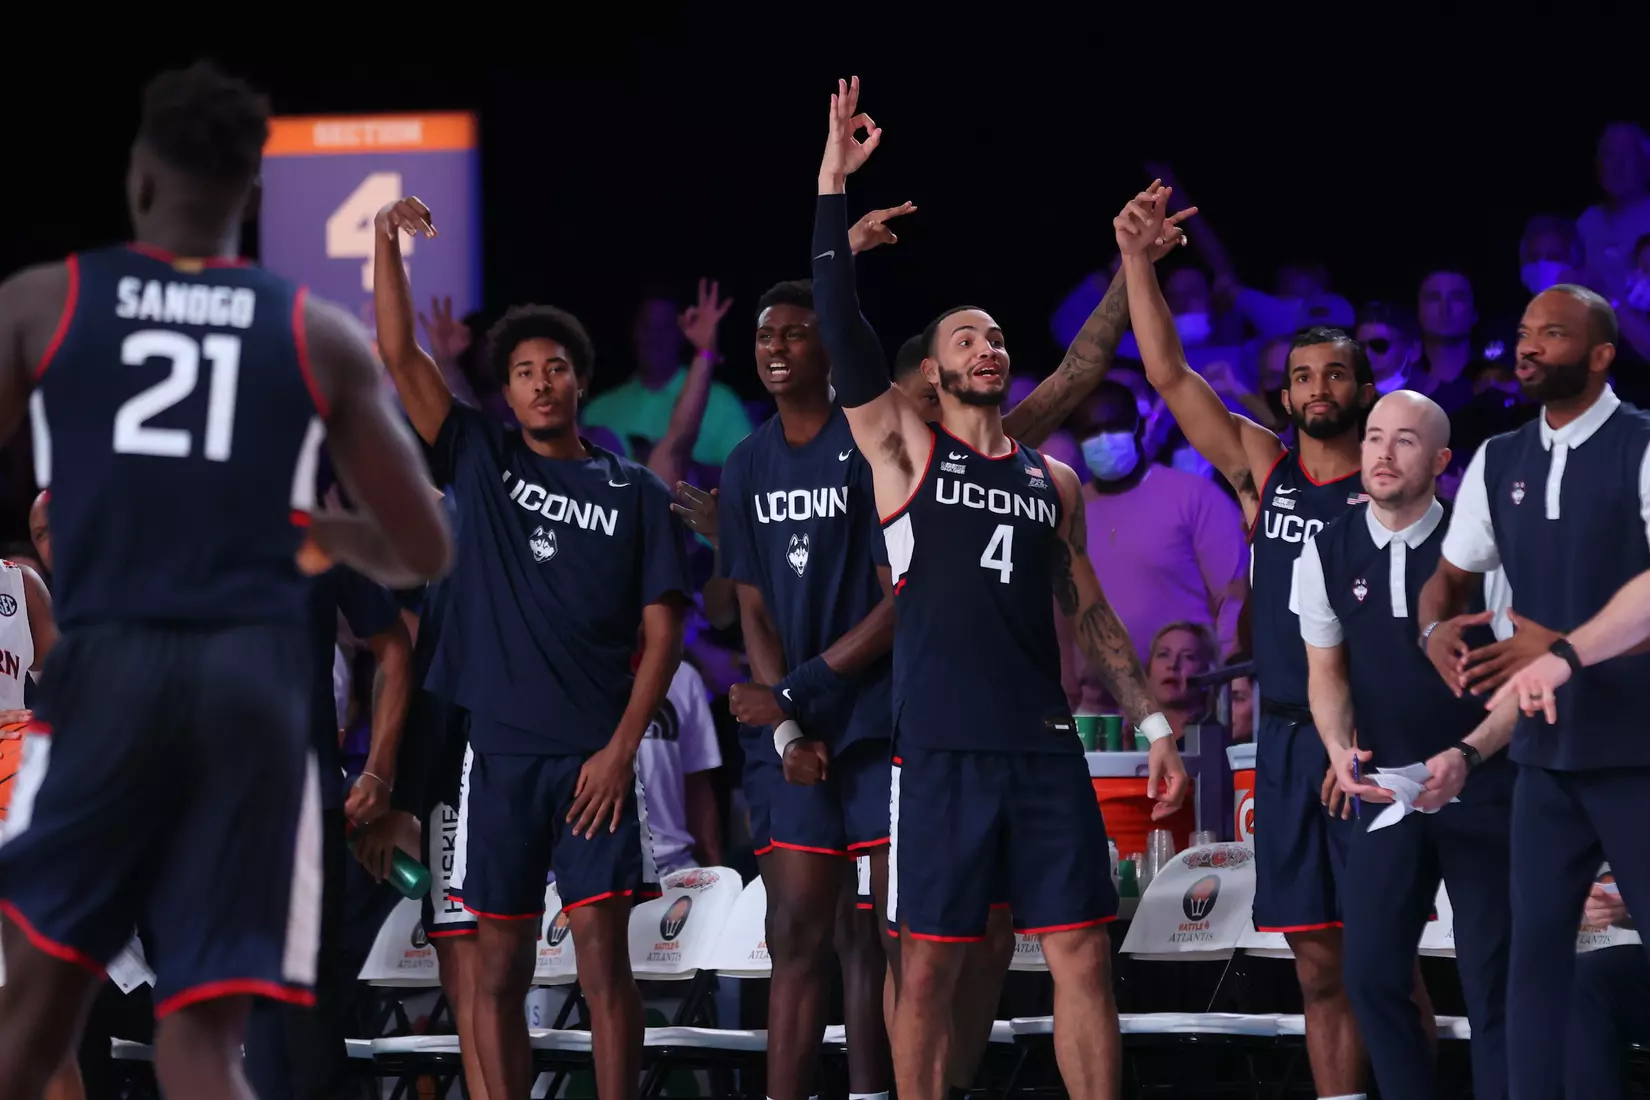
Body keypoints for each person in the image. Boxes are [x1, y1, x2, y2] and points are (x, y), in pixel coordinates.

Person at [0, 61, 450, 1100]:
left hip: (111, 698)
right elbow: (421, 545)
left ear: (141, 181)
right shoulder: (311, 331)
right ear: (251, 193)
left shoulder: (48, 301)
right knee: (210, 1036)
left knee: (36, 1009)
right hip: (246, 718)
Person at [809, 77, 1188, 1100]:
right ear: (928, 375)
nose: (988, 343)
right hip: (937, 746)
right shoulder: (899, 451)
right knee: (925, 963)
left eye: (994, 334)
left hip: (1045, 746)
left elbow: (1094, 611)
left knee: (1080, 956)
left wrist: (1154, 726)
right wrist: (832, 196)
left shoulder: (1047, 475)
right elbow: (839, 332)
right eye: (964, 336)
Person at [373, 194, 691, 1100]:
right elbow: (399, 355)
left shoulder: (631, 491)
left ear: (578, 382)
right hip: (500, 758)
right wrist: (383, 244)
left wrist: (620, 750)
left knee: (603, 977)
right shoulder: (479, 455)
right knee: (498, 973)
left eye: (556, 367)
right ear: (504, 390)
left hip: (594, 761)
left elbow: (664, 629)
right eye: (522, 370)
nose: (542, 381)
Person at [1119, 178, 1432, 1100]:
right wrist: (1138, 261)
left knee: (1386, 962)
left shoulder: (1396, 486)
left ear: (1365, 390)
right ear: (1283, 392)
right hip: (1290, 745)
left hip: (1378, 743)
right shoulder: (1267, 472)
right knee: (1317, 968)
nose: (1318, 389)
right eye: (1302, 376)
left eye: (1336, 373)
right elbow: (1170, 375)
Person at [1418, 284, 1650, 1100]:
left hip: (1637, 752)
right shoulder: (1499, 457)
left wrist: (1563, 651)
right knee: (1533, 966)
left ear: (1600, 355)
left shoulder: (1642, 445)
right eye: (1523, 333)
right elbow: (1448, 580)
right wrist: (1431, 629)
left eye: (1552, 334)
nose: (1528, 347)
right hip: (1544, 758)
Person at [1294, 390, 1515, 1100]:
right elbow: (1325, 674)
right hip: (1389, 789)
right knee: (1369, 976)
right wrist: (1336, 747)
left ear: (1443, 462)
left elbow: (1522, 683)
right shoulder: (1324, 545)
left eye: (1406, 442)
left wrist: (1469, 754)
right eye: (1374, 438)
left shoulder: (1484, 553)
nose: (1383, 455)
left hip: (1483, 786)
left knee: (1493, 980)